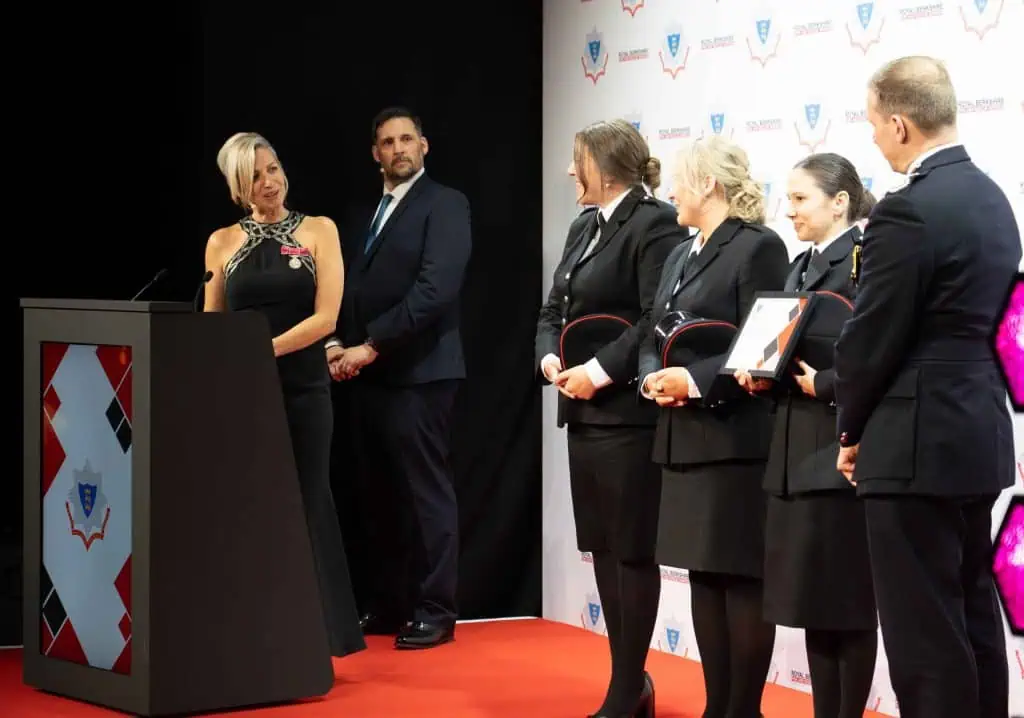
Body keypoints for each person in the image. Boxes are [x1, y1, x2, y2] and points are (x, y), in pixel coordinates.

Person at [833, 56, 1020, 718]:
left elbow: (870, 339)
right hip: (978, 435)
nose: (874, 139)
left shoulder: (907, 211)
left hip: (912, 448)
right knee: (972, 621)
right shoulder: (994, 198)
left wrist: (850, 430)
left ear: (899, 123)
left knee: (923, 638)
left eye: (874, 124)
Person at [535, 119, 686, 718]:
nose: (571, 172)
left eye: (579, 161)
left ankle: (627, 688)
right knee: (601, 548)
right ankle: (631, 681)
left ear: (609, 166)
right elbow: (554, 306)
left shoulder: (654, 223)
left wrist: (598, 372)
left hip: (626, 413)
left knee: (630, 551)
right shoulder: (582, 225)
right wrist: (550, 358)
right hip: (582, 413)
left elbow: (656, 317)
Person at [639, 135, 789, 718]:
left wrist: (694, 381)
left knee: (740, 579)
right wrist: (655, 376)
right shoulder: (681, 251)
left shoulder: (758, 247)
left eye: (680, 178)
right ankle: (716, 708)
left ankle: (742, 711)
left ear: (709, 184)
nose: (671, 189)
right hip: (682, 439)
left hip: (734, 438)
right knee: (703, 576)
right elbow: (654, 328)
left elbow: (765, 343)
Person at [203, 131, 366, 659]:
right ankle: (251, 632)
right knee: (250, 504)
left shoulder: (319, 230)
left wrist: (263, 349)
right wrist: (238, 361)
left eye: (273, 168)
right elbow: (213, 324)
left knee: (309, 498)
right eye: (255, 175)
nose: (269, 182)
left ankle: (324, 635)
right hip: (241, 393)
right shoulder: (222, 241)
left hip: (302, 388)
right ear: (236, 185)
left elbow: (327, 318)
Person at [735, 152, 878, 718]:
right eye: (787, 198)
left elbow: (880, 352)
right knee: (816, 607)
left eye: (800, 199)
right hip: (793, 454)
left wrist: (827, 383)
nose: (787, 209)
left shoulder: (866, 262)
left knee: (847, 606)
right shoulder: (799, 266)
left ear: (839, 201)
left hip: (839, 450)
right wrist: (757, 375)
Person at [328, 107, 471, 650]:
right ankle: (389, 603)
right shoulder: (363, 210)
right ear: (375, 153)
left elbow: (436, 289)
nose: (398, 148)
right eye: (387, 142)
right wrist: (338, 342)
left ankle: (437, 609)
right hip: (365, 375)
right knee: (379, 497)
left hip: (421, 373)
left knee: (425, 495)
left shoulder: (446, 203)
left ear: (425, 145)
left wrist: (371, 344)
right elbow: (347, 286)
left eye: (407, 139)